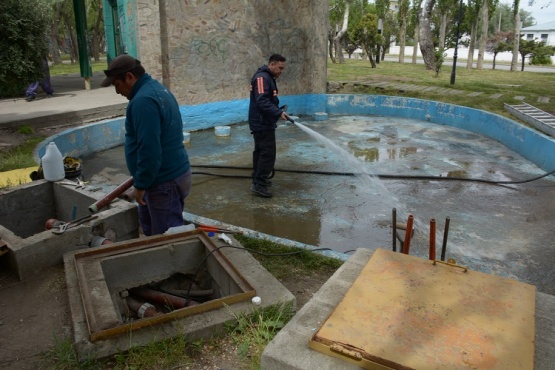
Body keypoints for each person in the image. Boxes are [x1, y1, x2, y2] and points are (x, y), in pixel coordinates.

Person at [100, 55, 192, 236]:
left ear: (129, 77)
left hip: (163, 181)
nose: (117, 91)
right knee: (154, 234)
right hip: (166, 178)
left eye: (117, 85)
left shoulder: (143, 101)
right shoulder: (157, 90)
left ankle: (167, 264)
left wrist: (140, 185)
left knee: (166, 241)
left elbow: (149, 149)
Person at [248, 54, 290, 198]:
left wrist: (279, 110)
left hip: (264, 121)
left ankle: (258, 179)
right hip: (261, 123)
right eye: (280, 68)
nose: (281, 71)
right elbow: (262, 101)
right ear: (271, 64)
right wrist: (278, 113)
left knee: (260, 152)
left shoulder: (268, 78)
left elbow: (268, 100)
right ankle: (259, 184)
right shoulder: (261, 78)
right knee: (267, 154)